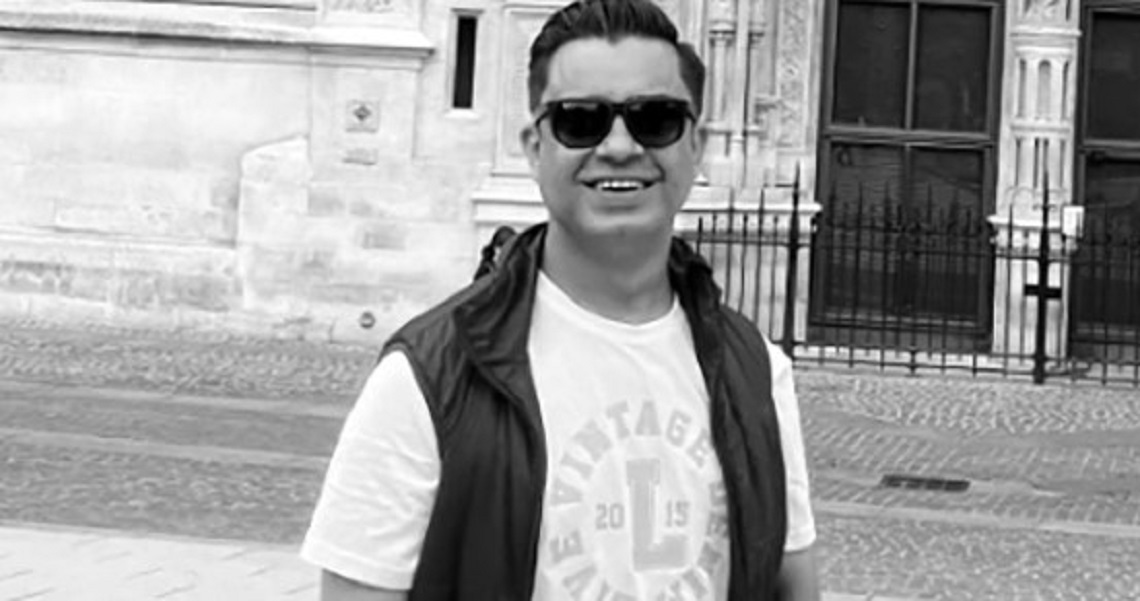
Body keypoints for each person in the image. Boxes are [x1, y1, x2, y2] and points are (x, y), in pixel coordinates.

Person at [300, 0, 820, 599]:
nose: (620, 146)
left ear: (696, 145)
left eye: (655, 119)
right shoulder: (431, 376)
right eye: (579, 120)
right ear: (533, 146)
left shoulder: (756, 371)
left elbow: (791, 583)